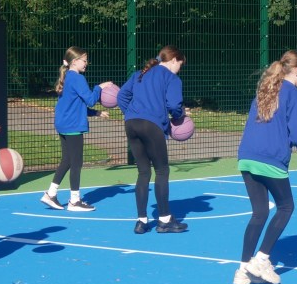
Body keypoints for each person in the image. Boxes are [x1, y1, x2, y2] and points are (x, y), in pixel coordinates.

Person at [233, 50, 297, 284]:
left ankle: (242, 270)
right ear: (296, 70)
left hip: (246, 157)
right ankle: (262, 259)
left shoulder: (264, 91)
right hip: (270, 159)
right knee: (286, 207)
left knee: (259, 213)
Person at [117, 45, 188, 234]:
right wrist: (179, 115)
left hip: (131, 123)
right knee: (162, 171)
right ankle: (164, 220)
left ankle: (141, 221)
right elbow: (174, 104)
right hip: (151, 125)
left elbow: (122, 95)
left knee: (143, 172)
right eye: (180, 64)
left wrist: (131, 113)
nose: (180, 69)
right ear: (173, 60)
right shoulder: (171, 77)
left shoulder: (141, 73)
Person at [40, 46, 113, 212]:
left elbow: (75, 105)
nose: (86, 63)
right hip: (72, 125)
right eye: (84, 60)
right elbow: (90, 99)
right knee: (76, 162)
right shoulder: (78, 78)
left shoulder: (67, 78)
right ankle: (74, 201)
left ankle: (50, 194)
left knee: (67, 159)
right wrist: (99, 88)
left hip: (63, 123)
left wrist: (96, 113)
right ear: (75, 61)